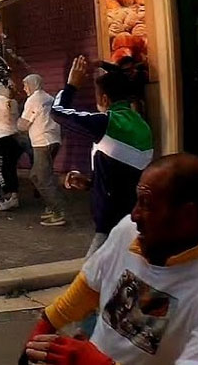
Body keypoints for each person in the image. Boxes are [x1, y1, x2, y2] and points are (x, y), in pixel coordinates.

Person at [20, 153, 198, 364]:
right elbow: (90, 286)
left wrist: (99, 363)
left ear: (186, 215)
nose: (134, 214)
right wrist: (46, 324)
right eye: (137, 201)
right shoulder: (130, 231)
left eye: (147, 204)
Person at [53, 55, 153, 257]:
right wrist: (92, 183)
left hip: (111, 224)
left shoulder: (107, 122)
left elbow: (58, 112)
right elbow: (126, 173)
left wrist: (72, 85)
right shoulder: (142, 124)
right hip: (134, 217)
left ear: (104, 99)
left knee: (90, 278)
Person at [19, 74, 66, 226]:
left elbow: (24, 124)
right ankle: (51, 207)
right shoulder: (49, 98)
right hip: (54, 140)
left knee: (39, 177)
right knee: (45, 175)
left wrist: (15, 125)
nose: (24, 88)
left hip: (42, 142)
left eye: (26, 85)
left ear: (33, 85)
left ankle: (58, 211)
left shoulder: (33, 100)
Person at [0, 82, 21, 211]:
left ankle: (8, 197)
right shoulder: (14, 103)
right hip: (14, 138)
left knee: (1, 169)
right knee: (11, 168)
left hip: (2, 139)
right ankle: (14, 196)